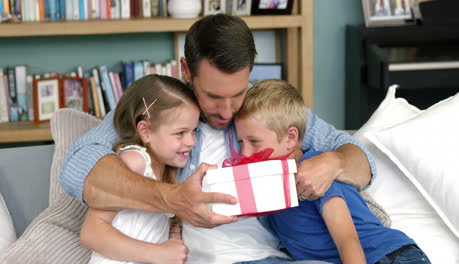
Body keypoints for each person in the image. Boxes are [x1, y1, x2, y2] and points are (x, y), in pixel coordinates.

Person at [60, 14, 376, 263]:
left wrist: (333, 162)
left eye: (237, 94)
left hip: (269, 254)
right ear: (186, 70)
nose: (227, 111)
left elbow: (363, 161)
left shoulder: (265, 108)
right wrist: (172, 199)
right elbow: (77, 166)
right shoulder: (162, 106)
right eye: (212, 97)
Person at [233, 79, 430, 264]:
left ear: (290, 138)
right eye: (240, 142)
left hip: (389, 256)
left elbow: (348, 240)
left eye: (254, 142)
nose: (245, 152)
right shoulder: (269, 190)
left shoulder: (317, 174)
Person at [81, 74, 196, 264]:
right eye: (180, 133)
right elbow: (91, 232)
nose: (191, 141)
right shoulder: (134, 161)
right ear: (146, 132)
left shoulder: (168, 168)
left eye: (194, 131)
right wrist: (159, 254)